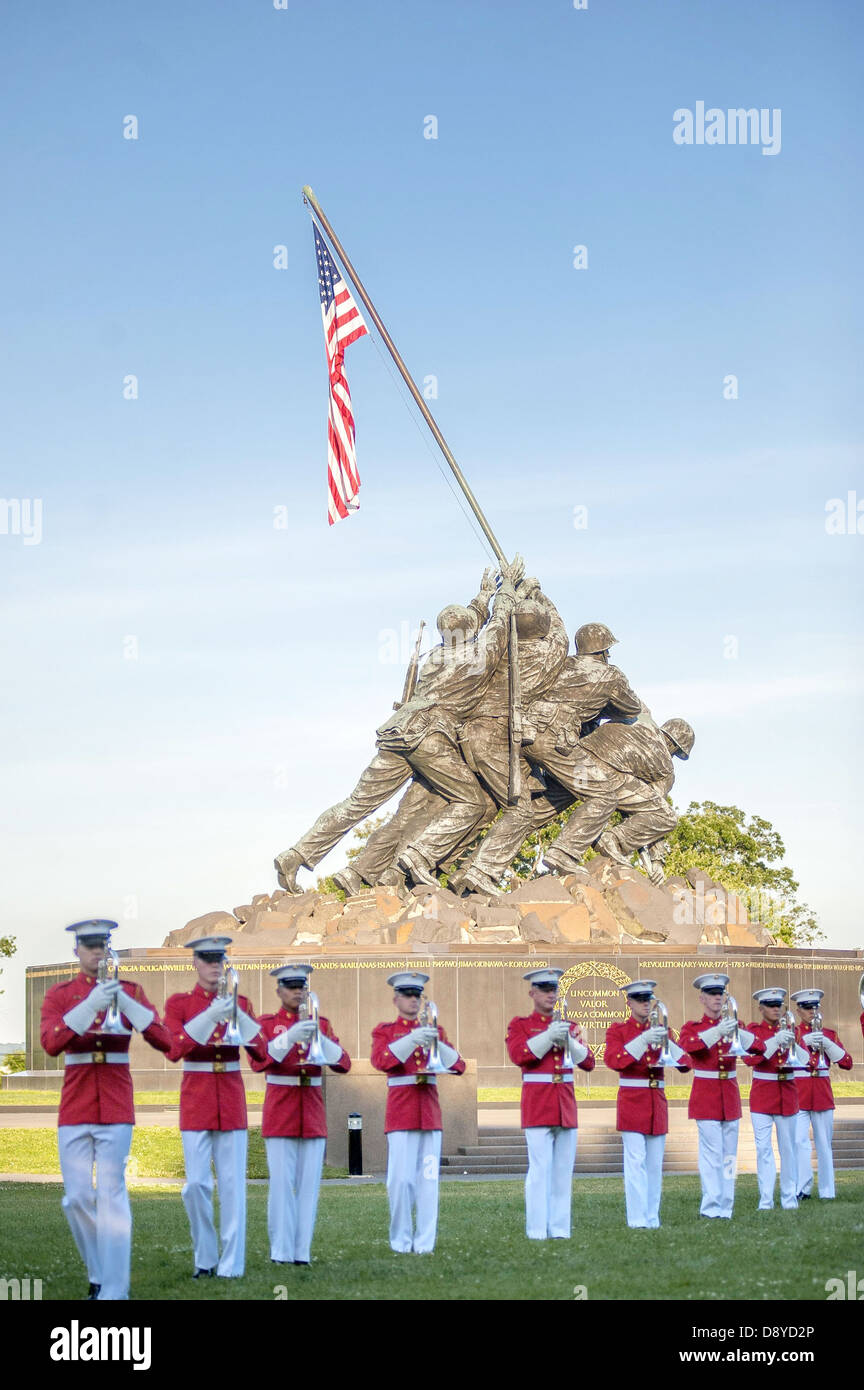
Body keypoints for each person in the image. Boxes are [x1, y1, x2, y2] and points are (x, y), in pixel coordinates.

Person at [273, 567, 503, 894]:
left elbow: (468, 627)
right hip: (429, 737)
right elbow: (496, 632)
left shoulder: (436, 655)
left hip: (397, 733)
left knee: (356, 804)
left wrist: (483, 595)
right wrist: (505, 594)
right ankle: (418, 858)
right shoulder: (476, 657)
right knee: (473, 803)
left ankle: (296, 854)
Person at [39, 919, 171, 1300]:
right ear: (77, 951)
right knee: (76, 1198)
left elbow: (163, 1040)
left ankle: (115, 1290)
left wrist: (123, 1000)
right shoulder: (61, 995)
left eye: (103, 946)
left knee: (112, 1194)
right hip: (76, 1105)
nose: (97, 953)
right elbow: (51, 1043)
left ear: (110, 949)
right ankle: (99, 1273)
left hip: (115, 1105)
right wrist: (90, 1004)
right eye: (90, 946)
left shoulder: (130, 990)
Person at [461, 622, 642, 894]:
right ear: (604, 651)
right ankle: (565, 852)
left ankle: (478, 869)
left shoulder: (560, 664)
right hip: (555, 739)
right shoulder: (610, 676)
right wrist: (597, 710)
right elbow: (630, 708)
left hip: (521, 735)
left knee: (525, 809)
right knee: (604, 795)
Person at [164, 932, 264, 1278]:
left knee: (234, 1186)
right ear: (194, 963)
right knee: (196, 1186)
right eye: (207, 960)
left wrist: (238, 1013)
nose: (214, 967)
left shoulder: (242, 1002)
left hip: (231, 1101)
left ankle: (231, 1264)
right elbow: (174, 1049)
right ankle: (204, 1257)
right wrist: (211, 1015)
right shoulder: (179, 1003)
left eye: (219, 960)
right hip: (196, 1100)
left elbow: (262, 1055)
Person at [250, 963, 351, 1264]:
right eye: (291, 987)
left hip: (312, 1110)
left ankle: (301, 1252)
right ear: (279, 990)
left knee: (309, 1188)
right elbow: (261, 1061)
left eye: (301, 986)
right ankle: (280, 1252)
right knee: (281, 1186)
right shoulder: (267, 1023)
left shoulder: (323, 1023)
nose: (297, 992)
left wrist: (322, 1040)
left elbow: (343, 1063)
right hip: (281, 1110)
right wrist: (291, 1035)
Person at [370, 971, 465, 1253]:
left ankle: (424, 1243)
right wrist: (412, 1039)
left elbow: (458, 1066)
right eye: (407, 995)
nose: (413, 1000)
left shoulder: (436, 1029)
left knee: (428, 1181)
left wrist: (436, 1041)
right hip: (401, 1114)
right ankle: (400, 1241)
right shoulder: (385, 1031)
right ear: (396, 999)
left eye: (417, 995)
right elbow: (382, 1061)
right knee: (399, 1181)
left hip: (430, 1114)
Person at [506, 967, 595, 1240]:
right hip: (538, 1103)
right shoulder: (520, 1024)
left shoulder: (571, 1026)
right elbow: (519, 1055)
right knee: (540, 1170)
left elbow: (589, 1063)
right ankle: (536, 1230)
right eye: (544, 989)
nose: (550, 994)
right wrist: (547, 1036)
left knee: (562, 1173)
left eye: (553, 989)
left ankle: (559, 1229)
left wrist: (568, 1038)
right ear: (532, 992)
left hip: (565, 1103)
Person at [604, 980, 690, 1229]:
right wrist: (643, 1040)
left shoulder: (664, 1029)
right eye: (639, 1000)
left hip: (657, 1103)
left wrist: (667, 1041)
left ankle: (652, 1217)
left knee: (654, 1166)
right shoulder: (618, 1030)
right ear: (629, 1003)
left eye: (648, 999)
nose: (645, 1004)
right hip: (632, 1101)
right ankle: (637, 1219)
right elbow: (614, 1060)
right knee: (635, 1164)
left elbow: (685, 1064)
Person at [677, 973, 756, 1219]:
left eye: (720, 994)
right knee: (711, 1154)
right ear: (701, 998)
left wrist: (739, 1033)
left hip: (729, 1094)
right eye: (712, 994)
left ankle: (726, 1205)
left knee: (730, 1156)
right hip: (706, 1095)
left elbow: (758, 1049)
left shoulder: (736, 1023)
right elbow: (688, 1048)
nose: (717, 998)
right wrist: (716, 1032)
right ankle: (711, 1205)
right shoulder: (693, 1027)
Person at [742, 987, 805, 1211]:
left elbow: (805, 1061)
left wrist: (795, 1043)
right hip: (762, 1093)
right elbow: (750, 1060)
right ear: (761, 1008)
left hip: (787, 1092)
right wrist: (774, 1041)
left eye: (779, 1005)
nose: (776, 1009)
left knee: (788, 1149)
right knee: (763, 1149)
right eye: (770, 1005)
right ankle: (766, 1199)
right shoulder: (754, 1030)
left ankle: (789, 1198)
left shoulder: (792, 1029)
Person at [791, 988, 853, 1202]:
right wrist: (803, 1043)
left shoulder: (829, 1034)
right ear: (798, 1010)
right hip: (799, 1093)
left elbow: (847, 1063)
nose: (812, 1011)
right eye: (807, 1008)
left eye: (815, 1007)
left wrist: (828, 1044)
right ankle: (803, 1188)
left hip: (822, 1094)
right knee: (799, 1142)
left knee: (824, 1145)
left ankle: (828, 1190)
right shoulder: (794, 1033)